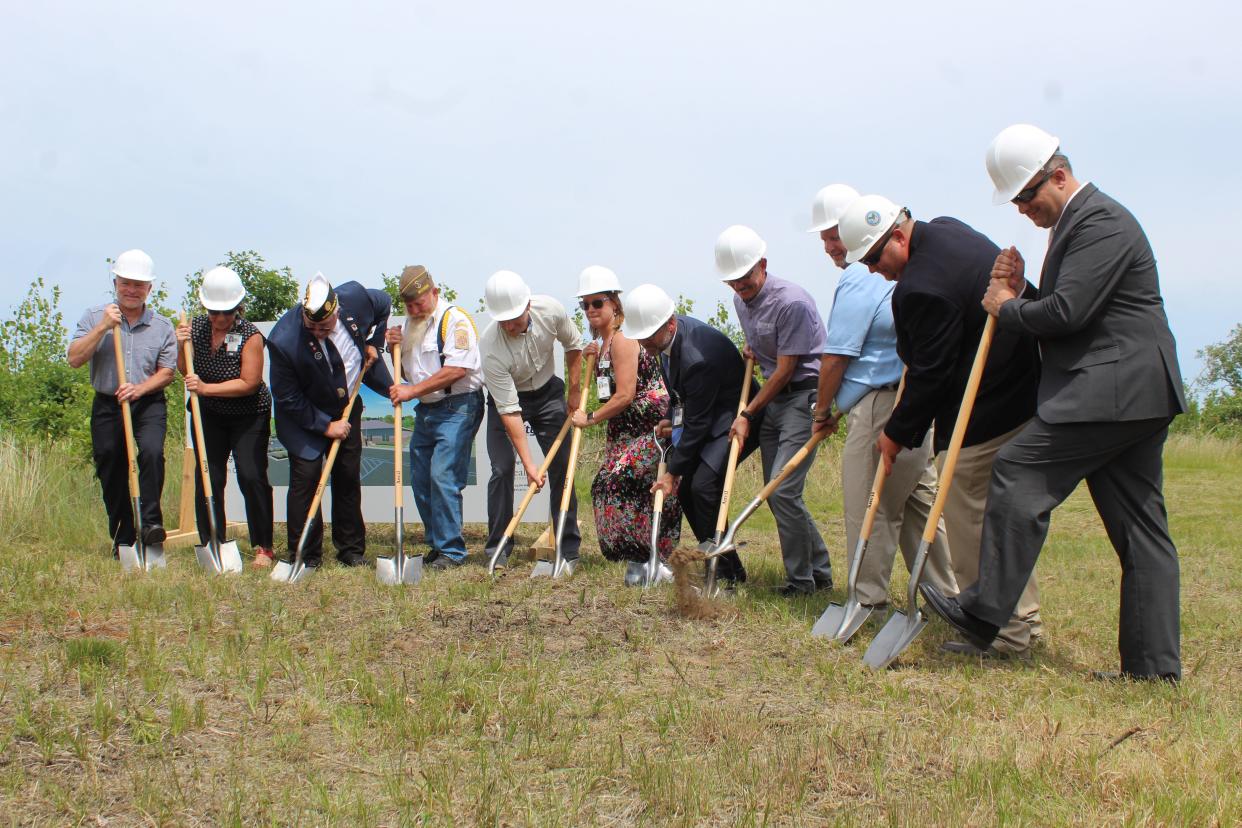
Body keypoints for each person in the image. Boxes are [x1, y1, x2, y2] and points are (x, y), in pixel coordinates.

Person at [921, 125, 1186, 681]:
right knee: (1140, 532)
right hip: (1132, 393)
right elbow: (1070, 309)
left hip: (1112, 391)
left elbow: (1068, 316)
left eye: (1026, 196)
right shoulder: (1082, 224)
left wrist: (1004, 305)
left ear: (1059, 176)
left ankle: (985, 610)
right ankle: (1153, 669)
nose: (1022, 210)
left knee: (1016, 469)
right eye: (1015, 201)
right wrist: (1022, 292)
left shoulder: (1100, 221)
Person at [837, 194, 1043, 657]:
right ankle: (1023, 618)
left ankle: (1003, 632)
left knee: (971, 517)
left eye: (874, 257)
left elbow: (931, 376)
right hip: (1024, 394)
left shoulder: (919, 288)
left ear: (897, 235)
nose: (873, 270)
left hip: (985, 410)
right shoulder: (948, 228)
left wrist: (896, 433)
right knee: (1004, 516)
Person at [806, 185, 958, 609]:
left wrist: (822, 411)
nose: (830, 247)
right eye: (824, 239)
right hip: (912, 406)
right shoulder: (895, 273)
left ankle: (868, 600)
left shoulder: (859, 276)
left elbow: (836, 356)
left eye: (833, 236)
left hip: (881, 408)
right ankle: (946, 598)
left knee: (868, 506)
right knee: (916, 507)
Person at [715, 225, 831, 595]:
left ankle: (802, 582)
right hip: (774, 399)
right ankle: (821, 571)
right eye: (733, 281)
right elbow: (762, 349)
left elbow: (785, 370)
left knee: (782, 490)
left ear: (762, 264)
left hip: (803, 396)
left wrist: (747, 413)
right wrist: (752, 349)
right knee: (778, 491)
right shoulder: (739, 301)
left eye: (746, 278)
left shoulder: (791, 302)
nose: (740, 287)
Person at [624, 283, 759, 586]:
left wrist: (671, 473)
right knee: (688, 492)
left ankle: (728, 574)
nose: (644, 342)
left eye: (648, 336)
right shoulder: (663, 341)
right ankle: (723, 565)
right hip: (708, 417)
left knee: (703, 487)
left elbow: (697, 425)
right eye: (641, 336)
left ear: (670, 323)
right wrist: (670, 417)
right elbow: (679, 395)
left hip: (734, 418)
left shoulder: (697, 355)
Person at [266, 273, 392, 570]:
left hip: (346, 405)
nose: (319, 332)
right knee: (307, 478)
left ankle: (351, 550)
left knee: (347, 475)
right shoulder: (283, 340)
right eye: (312, 327)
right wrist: (325, 426)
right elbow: (287, 398)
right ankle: (306, 555)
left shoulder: (357, 298)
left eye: (325, 326)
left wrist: (375, 343)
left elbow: (384, 304)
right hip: (303, 414)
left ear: (337, 310)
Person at [567, 266, 682, 584]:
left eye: (597, 302)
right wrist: (590, 356)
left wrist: (588, 419)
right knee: (604, 486)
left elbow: (625, 395)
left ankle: (659, 560)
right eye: (585, 304)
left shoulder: (623, 340)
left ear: (615, 304)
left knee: (620, 483)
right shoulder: (603, 346)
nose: (590, 310)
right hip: (622, 430)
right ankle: (639, 559)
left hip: (650, 427)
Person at [68, 249, 176, 556]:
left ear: (149, 289)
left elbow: (167, 371)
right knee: (109, 461)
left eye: (139, 285)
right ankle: (123, 536)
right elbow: (75, 359)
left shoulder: (162, 326)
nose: (131, 290)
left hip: (148, 402)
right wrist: (102, 328)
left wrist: (140, 389)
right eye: (126, 283)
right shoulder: (94, 316)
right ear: (115, 282)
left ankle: (152, 526)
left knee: (152, 453)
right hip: (107, 402)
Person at [480, 270, 584, 567]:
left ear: (527, 305)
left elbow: (573, 345)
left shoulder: (550, 310)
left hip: (549, 393)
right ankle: (498, 547)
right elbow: (510, 410)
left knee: (562, 468)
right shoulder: (490, 347)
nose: (510, 325)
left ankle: (567, 547)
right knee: (501, 468)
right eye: (504, 320)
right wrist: (528, 464)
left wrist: (574, 392)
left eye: (515, 317)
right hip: (509, 400)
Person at [383, 265, 485, 570]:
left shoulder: (455, 320)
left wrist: (411, 392)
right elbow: (406, 373)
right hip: (426, 409)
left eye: (420, 303)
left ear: (435, 292)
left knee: (443, 476)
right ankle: (437, 545)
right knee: (421, 478)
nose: (414, 309)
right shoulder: (410, 325)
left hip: (458, 405)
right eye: (409, 305)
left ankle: (452, 551)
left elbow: (458, 369)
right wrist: (393, 349)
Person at [174, 265, 275, 567]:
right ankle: (211, 540)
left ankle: (264, 547)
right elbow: (184, 368)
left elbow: (249, 383)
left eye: (227, 312)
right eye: (214, 312)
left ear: (238, 307)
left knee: (250, 475)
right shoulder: (195, 330)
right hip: (209, 415)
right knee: (209, 476)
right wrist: (181, 345)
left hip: (249, 415)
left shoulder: (251, 336)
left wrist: (206, 388)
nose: (220, 319)